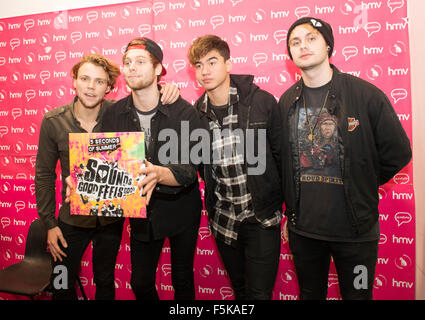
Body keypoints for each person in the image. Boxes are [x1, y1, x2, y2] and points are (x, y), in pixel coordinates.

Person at [279, 17, 412, 300]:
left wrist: (361, 180)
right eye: (295, 42)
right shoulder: (287, 102)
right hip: (305, 232)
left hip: (356, 234)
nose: (303, 45)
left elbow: (398, 152)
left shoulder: (365, 95)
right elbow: (282, 161)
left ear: (328, 44)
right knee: (309, 294)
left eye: (311, 38)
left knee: (359, 296)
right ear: (289, 54)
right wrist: (291, 217)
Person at [35, 53, 179, 300]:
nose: (91, 87)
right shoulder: (53, 121)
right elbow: (44, 174)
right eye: (85, 79)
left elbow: (148, 98)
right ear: (74, 81)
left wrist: (168, 90)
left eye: (99, 81)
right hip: (71, 219)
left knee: (104, 280)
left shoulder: (119, 114)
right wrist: (49, 223)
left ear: (110, 87)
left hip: (110, 219)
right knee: (60, 281)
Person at [100, 38, 202, 300]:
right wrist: (81, 181)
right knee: (141, 283)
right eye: (127, 62)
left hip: (181, 210)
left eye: (140, 62)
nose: (132, 68)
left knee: (182, 279)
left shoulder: (183, 112)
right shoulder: (113, 114)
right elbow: (104, 164)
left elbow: (190, 170)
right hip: (142, 214)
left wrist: (158, 174)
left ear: (158, 69)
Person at [187, 35, 283, 300]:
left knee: (259, 295)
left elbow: (282, 157)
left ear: (228, 64)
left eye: (212, 62)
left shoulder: (260, 102)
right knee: (240, 291)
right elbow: (198, 166)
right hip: (224, 220)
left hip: (260, 216)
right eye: (198, 65)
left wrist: (291, 211)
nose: (205, 71)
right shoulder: (195, 114)